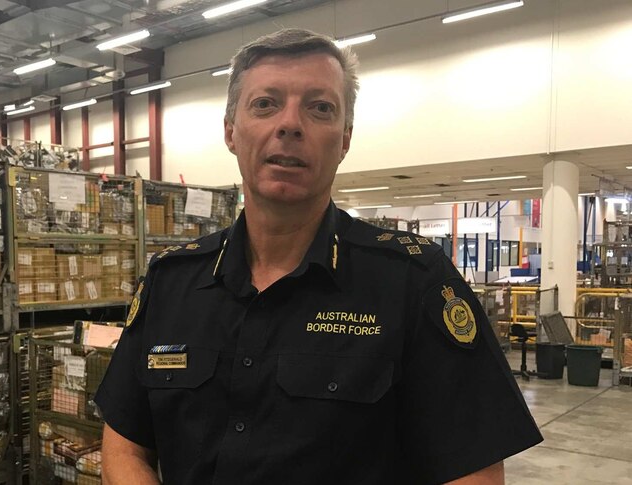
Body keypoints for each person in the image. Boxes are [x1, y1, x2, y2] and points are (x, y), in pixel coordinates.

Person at [94, 28, 542, 484]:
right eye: (265, 103)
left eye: (319, 107)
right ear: (231, 131)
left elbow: (474, 472)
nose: (289, 124)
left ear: (344, 138)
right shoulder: (172, 281)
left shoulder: (413, 281)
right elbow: (124, 446)